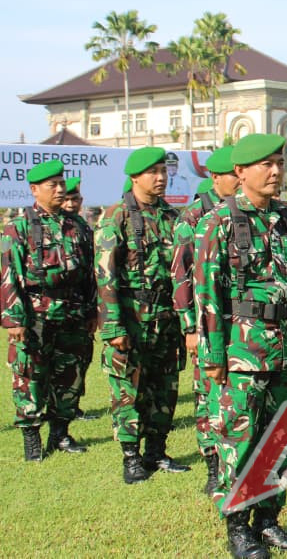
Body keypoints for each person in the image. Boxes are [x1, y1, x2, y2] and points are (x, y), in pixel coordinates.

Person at [194, 134, 287, 555]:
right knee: (239, 442)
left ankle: (268, 521)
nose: (276, 171)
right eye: (266, 165)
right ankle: (238, 528)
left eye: (280, 163)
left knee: (281, 440)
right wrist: (212, 357)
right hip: (241, 354)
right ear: (240, 172)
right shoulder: (218, 223)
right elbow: (206, 295)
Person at [95, 146, 189, 484]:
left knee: (165, 388)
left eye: (164, 171)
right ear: (135, 177)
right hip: (132, 319)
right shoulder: (116, 216)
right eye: (153, 173)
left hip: (166, 319)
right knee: (128, 390)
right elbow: (105, 276)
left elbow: (183, 271)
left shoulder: (172, 217)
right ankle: (131, 457)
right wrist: (114, 327)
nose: (161, 178)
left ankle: (156, 451)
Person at [1, 160, 96, 461]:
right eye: (52, 185)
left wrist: (93, 310)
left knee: (71, 375)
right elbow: (8, 275)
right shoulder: (18, 228)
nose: (59, 189)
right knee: (30, 376)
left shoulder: (77, 225)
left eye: (61, 183)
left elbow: (91, 272)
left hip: (73, 313)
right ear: (34, 190)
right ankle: (32, 437)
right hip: (36, 315)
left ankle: (60, 433)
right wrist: (14, 319)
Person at [170, 145, 239, 495]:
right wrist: (189, 328)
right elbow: (181, 276)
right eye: (234, 176)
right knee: (207, 393)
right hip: (205, 322)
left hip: (240, 322)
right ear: (215, 178)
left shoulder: (243, 212)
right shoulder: (196, 215)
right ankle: (213, 464)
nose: (240, 181)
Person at [59, 176, 100, 421]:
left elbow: (92, 271)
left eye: (76, 199)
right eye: (68, 199)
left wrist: (93, 309)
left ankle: (72, 407)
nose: (72, 203)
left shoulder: (83, 228)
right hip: (50, 308)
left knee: (79, 360)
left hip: (80, 307)